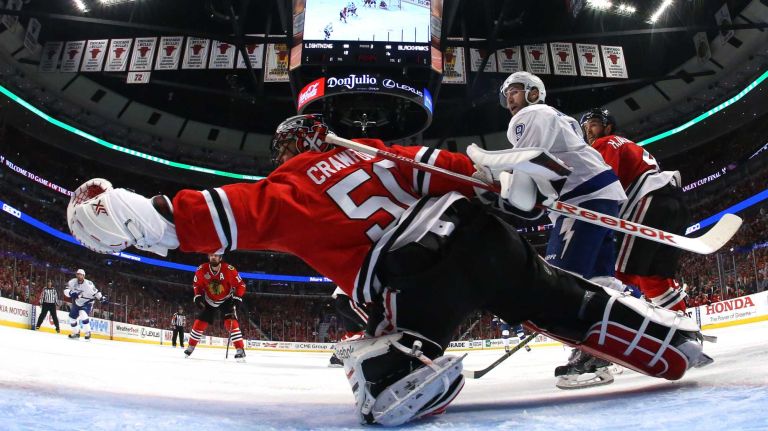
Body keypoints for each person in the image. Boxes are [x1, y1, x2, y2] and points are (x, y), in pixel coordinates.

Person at [67, 114, 713, 427]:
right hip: (484, 237)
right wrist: (512, 185)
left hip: (416, 269)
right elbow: (467, 173)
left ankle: (401, 366)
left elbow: (193, 218)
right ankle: (659, 333)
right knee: (552, 293)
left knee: (384, 342)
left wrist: (117, 211)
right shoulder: (375, 152)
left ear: (289, 148)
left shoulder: (286, 188)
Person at [487, 71, 628, 388]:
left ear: (533, 92)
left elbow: (526, 159)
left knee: (563, 280)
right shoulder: (552, 117)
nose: (510, 98)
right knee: (600, 279)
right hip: (599, 193)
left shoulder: (531, 115)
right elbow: (540, 174)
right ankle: (614, 342)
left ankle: (591, 351)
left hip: (583, 197)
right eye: (506, 93)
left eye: (516, 90)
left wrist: (490, 172)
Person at [581, 108, 690, 312]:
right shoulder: (628, 144)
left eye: (593, 125)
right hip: (673, 205)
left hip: (648, 203)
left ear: (608, 127)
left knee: (614, 272)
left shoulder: (604, 143)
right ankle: (680, 322)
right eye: (585, 127)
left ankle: (622, 320)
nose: (588, 131)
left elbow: (603, 182)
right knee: (653, 278)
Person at [185, 253, 247, 361]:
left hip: (226, 299)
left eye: (216, 255)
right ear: (209, 257)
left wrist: (238, 298)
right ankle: (191, 346)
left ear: (220, 258)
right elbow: (197, 285)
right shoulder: (201, 269)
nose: (213, 257)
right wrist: (197, 296)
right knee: (199, 322)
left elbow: (241, 285)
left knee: (230, 322)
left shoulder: (229, 269)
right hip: (209, 300)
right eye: (211, 255)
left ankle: (240, 349)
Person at [329, 286, 368, 367]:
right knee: (373, 325)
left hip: (342, 299)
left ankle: (336, 357)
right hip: (350, 298)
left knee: (353, 332)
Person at [63, 269, 107, 340]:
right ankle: (76, 333)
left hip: (87, 302)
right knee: (71, 318)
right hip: (77, 302)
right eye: (77, 274)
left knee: (82, 313)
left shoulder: (88, 284)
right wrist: (70, 293)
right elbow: (65, 290)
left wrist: (102, 298)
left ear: (83, 276)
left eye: (80, 275)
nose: (79, 276)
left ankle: (87, 332)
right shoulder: (72, 282)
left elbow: (96, 293)